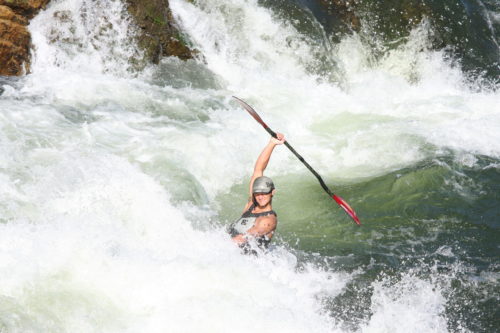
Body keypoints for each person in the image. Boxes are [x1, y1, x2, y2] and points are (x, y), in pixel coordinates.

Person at [227, 133, 286, 253]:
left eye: (264, 193)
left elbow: (243, 238)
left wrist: (214, 246)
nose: (260, 196)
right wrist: (272, 144)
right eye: (257, 193)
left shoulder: (268, 220)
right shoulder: (251, 204)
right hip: (230, 252)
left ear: (272, 192)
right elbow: (258, 169)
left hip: (245, 263)